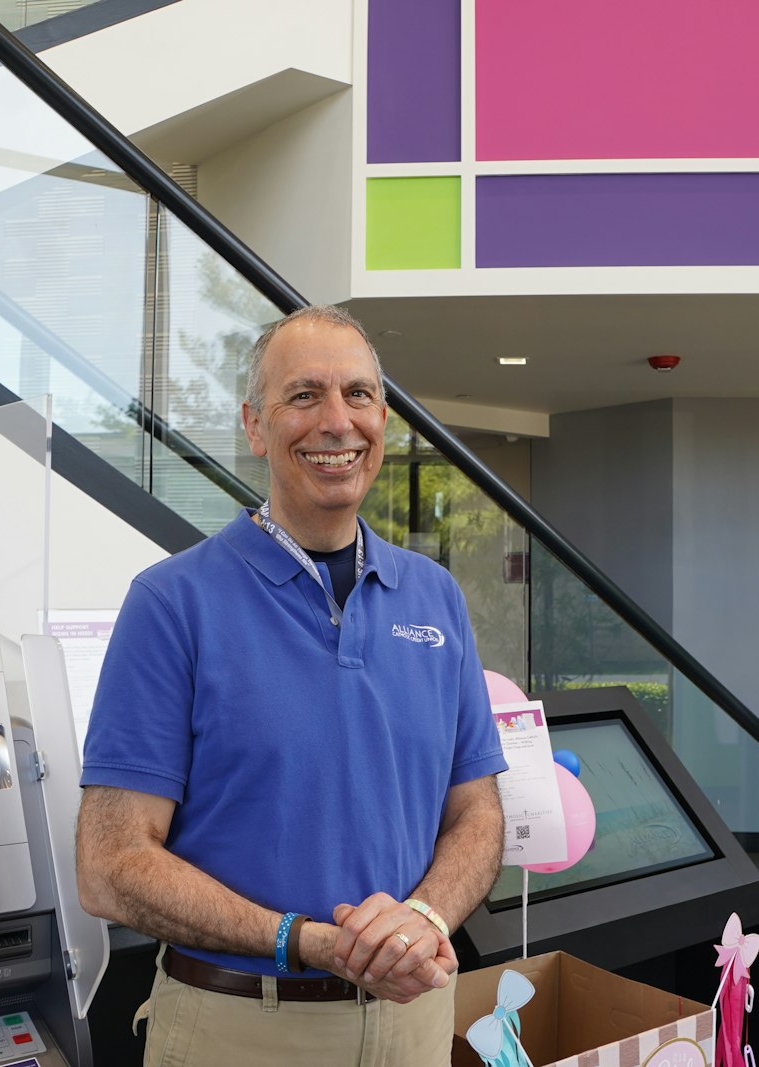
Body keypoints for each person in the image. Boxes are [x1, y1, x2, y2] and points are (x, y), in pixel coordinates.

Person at [75, 304, 508, 1065]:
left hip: (415, 1022)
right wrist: (303, 940)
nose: (337, 421)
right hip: (240, 1026)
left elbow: (477, 813)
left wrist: (424, 917)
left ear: (384, 416)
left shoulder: (435, 597)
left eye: (359, 395)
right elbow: (111, 865)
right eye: (304, 396)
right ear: (254, 426)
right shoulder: (173, 603)